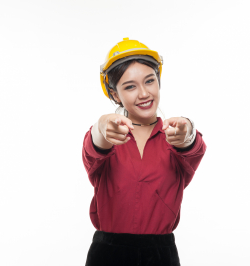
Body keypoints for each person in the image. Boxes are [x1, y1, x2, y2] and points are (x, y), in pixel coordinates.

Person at [82, 38, 207, 266]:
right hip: (107, 255)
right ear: (115, 94)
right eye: (130, 86)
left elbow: (193, 145)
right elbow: (95, 144)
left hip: (160, 255)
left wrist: (187, 130)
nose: (143, 93)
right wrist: (102, 125)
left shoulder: (173, 136)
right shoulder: (108, 136)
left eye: (149, 81)